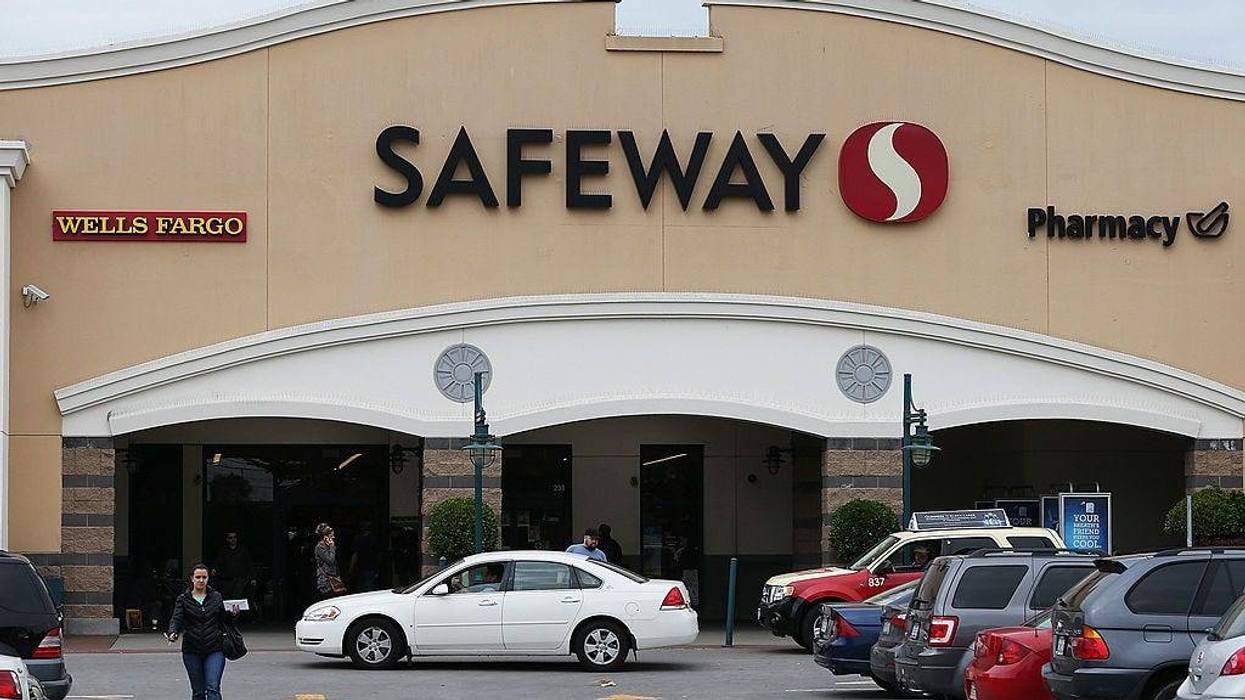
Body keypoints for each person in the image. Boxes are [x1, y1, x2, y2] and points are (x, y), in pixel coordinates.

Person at [166, 564, 235, 700]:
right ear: (192, 578)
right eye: (198, 577)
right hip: (192, 650)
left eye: (204, 577)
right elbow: (176, 619)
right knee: (198, 691)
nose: (201, 580)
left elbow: (224, 619)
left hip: (215, 648)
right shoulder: (183, 599)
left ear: (208, 579)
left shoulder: (216, 597)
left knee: (213, 688)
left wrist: (232, 614)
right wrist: (172, 632)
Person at [212, 532, 255, 602]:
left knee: (238, 599)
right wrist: (214, 569)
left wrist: (253, 578)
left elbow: (249, 565)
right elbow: (218, 562)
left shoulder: (243, 550)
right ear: (227, 539)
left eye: (234, 537)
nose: (233, 539)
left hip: (240, 580)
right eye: (230, 538)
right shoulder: (223, 551)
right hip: (227, 581)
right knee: (227, 600)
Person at [314, 523, 345, 599]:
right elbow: (330, 560)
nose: (333, 537)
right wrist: (332, 547)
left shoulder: (327, 546)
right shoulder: (320, 547)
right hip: (326, 581)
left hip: (333, 578)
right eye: (331, 535)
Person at [348, 521, 380, 592]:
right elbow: (378, 555)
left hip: (361, 568)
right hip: (369, 568)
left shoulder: (358, 539)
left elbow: (355, 555)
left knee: (361, 589)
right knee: (369, 589)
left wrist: (351, 568)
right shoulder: (373, 539)